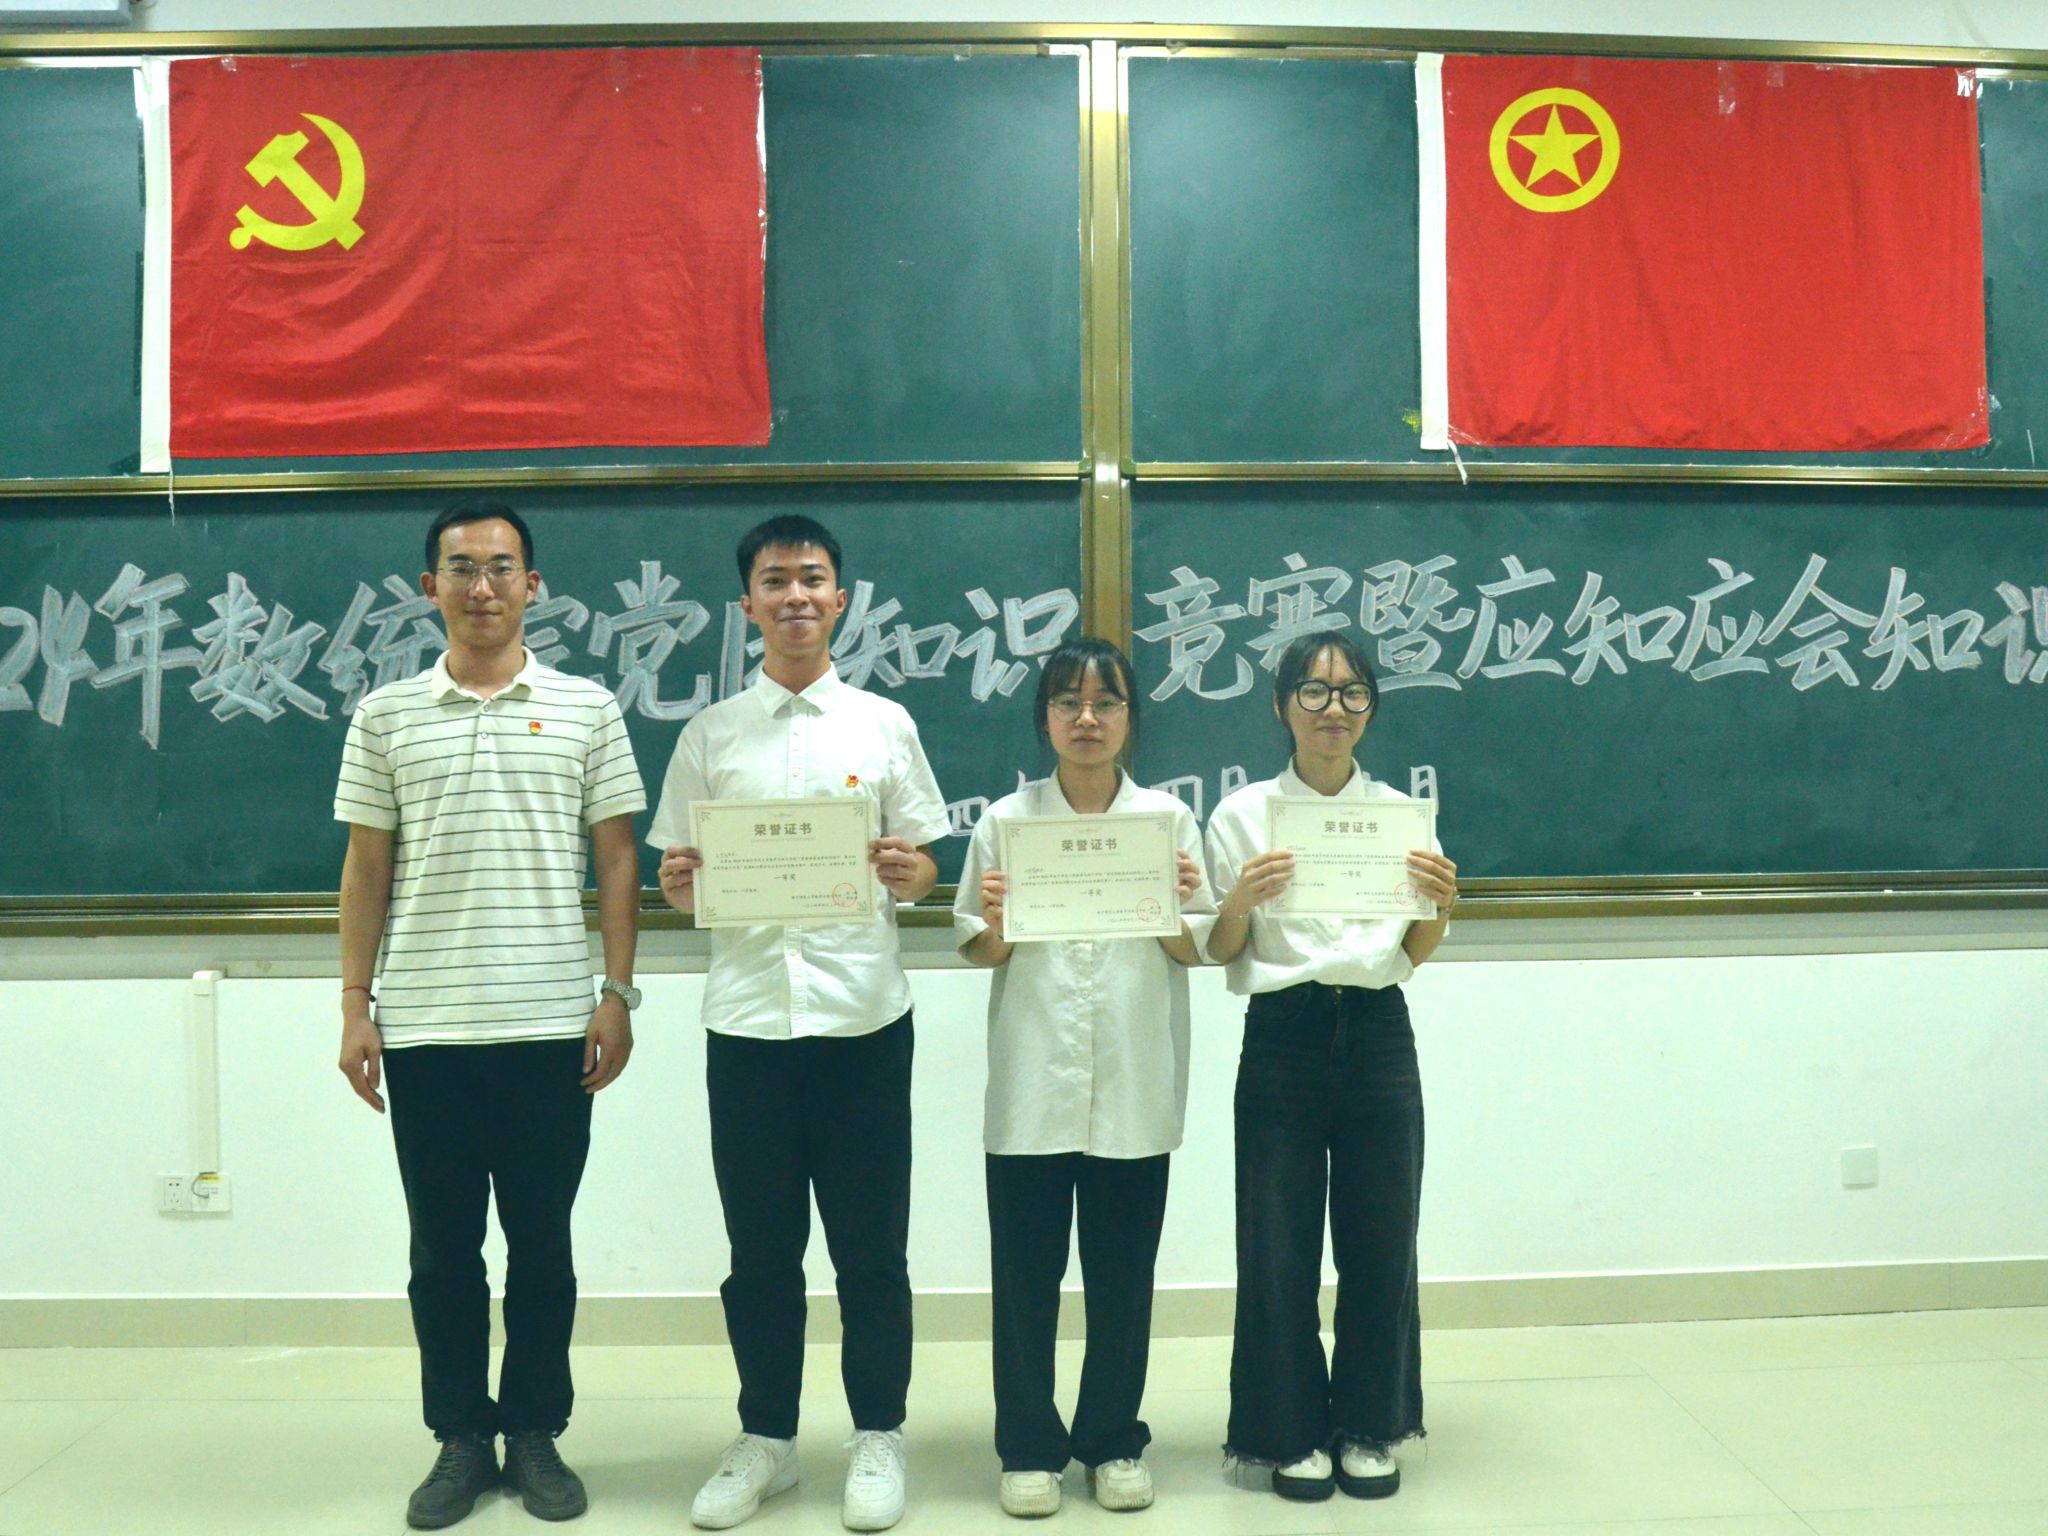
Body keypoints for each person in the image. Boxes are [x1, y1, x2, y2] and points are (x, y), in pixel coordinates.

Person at [334, 499, 646, 1530]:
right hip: (426, 1027)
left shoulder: (587, 708)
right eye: (461, 568)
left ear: (532, 585)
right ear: (430, 587)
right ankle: (461, 1437)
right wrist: (355, 1006)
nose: (482, 586)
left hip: (552, 1023)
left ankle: (537, 1431)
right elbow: (366, 867)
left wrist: (616, 993)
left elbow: (616, 860)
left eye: (502, 567)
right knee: (442, 1252)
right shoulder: (386, 716)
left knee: (542, 1244)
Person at [648, 514, 949, 1533]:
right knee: (761, 1254)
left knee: (872, 1252)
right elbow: (680, 877)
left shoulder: (884, 724)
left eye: (811, 579)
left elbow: (924, 865)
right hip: (746, 1026)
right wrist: (679, 884)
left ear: (840, 598)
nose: (794, 597)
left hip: (863, 1019)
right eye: (774, 581)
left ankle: (878, 1435)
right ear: (747, 604)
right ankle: (766, 1438)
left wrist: (911, 873)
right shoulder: (709, 735)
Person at [954, 637, 1216, 1519]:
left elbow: (1199, 946)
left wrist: (1175, 897)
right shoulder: (1005, 822)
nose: (1088, 719)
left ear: (1131, 719)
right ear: (1045, 719)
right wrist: (1001, 919)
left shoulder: (1168, 824)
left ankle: (1112, 1440)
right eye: (1069, 702)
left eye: (1106, 703)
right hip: (1032, 1084)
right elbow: (978, 947)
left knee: (1122, 1277)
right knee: (1024, 1279)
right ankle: (1028, 1447)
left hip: (1135, 1080)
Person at [1202, 631, 1458, 1504]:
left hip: (1378, 1031)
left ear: (1370, 710)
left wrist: (1443, 904)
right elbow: (1220, 948)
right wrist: (1239, 901)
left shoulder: (1401, 816)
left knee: (1382, 1238)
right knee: (1276, 1242)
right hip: (1284, 1032)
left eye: (1351, 693)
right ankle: (1287, 1432)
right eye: (1313, 692)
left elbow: (1414, 949)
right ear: (1282, 707)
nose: (1333, 709)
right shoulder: (1242, 816)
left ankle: (1370, 1426)